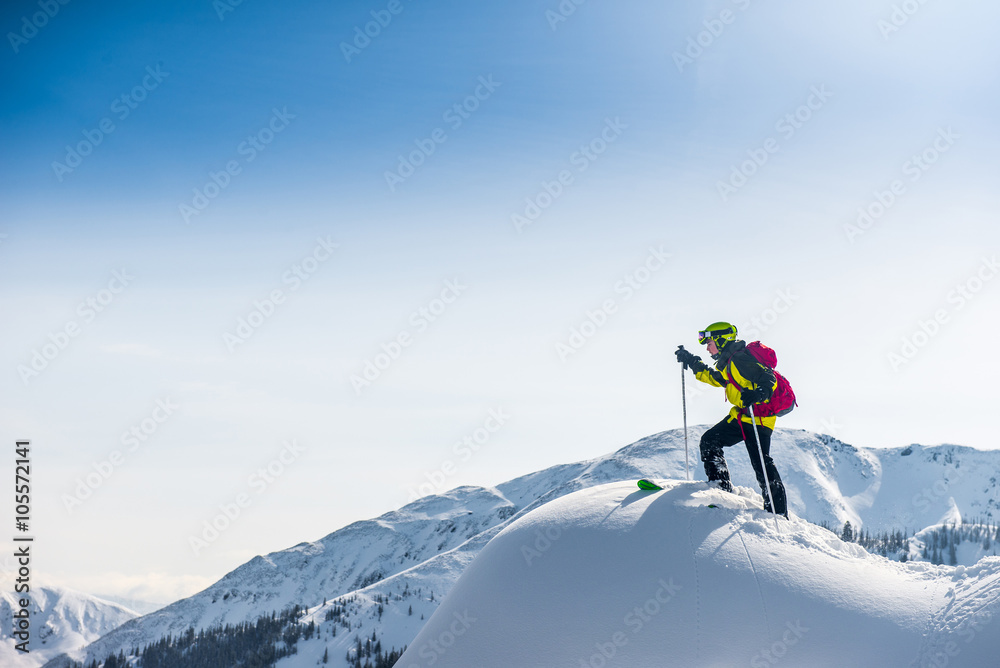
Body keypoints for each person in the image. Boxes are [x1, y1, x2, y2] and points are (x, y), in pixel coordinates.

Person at [675, 322, 788, 518]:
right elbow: (716, 378)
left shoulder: (740, 360)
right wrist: (692, 361)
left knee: (762, 463)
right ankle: (721, 489)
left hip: (758, 419)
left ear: (721, 339)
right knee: (710, 441)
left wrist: (760, 393)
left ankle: (778, 514)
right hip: (743, 416)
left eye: (709, 343)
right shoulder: (729, 363)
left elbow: (768, 377)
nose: (708, 348)